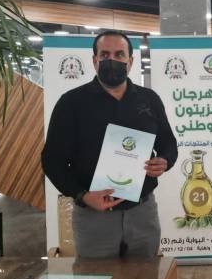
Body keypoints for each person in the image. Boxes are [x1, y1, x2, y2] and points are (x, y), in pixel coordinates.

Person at [42, 30, 178, 258]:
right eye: (104, 55)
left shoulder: (149, 99)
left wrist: (164, 160)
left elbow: (168, 142)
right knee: (97, 278)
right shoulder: (71, 103)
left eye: (119, 54)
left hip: (142, 213)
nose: (111, 60)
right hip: (94, 217)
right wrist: (82, 196)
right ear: (94, 60)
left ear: (130, 61)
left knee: (144, 277)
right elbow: (52, 160)